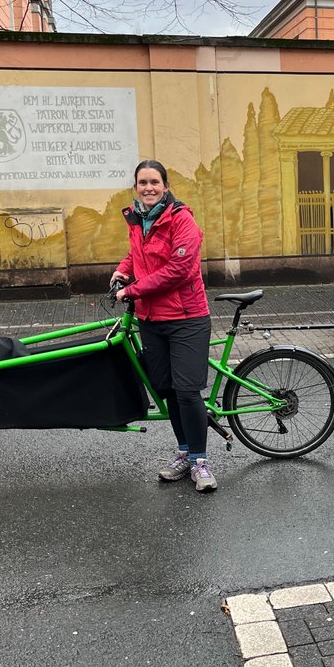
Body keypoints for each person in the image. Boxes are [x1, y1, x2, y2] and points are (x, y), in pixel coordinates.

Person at [112, 160, 216, 492]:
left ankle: (200, 462)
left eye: (154, 182)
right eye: (143, 182)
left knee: (186, 391)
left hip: (186, 318)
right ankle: (184, 453)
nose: (149, 188)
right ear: (135, 187)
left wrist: (132, 290)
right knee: (168, 391)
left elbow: (179, 270)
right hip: (151, 319)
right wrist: (122, 270)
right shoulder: (137, 218)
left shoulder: (181, 219)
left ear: (165, 186)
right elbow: (137, 255)